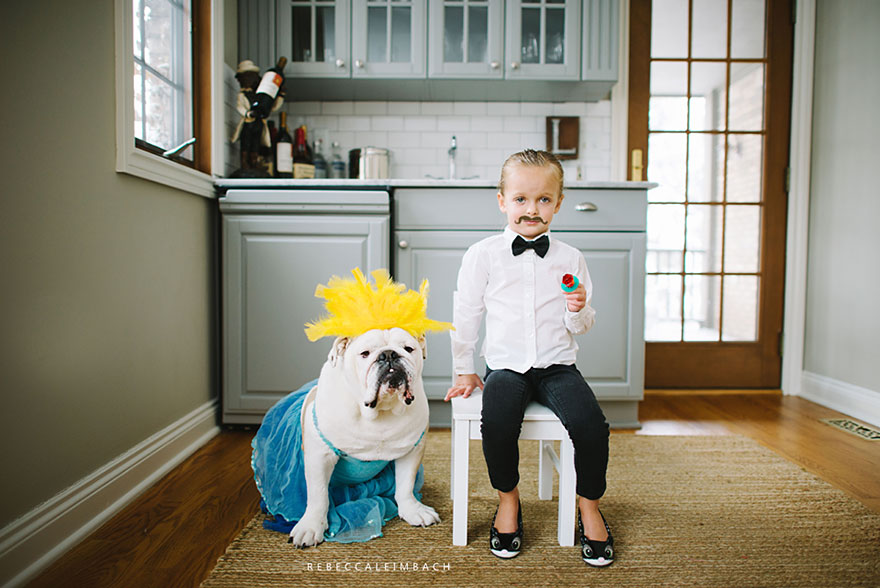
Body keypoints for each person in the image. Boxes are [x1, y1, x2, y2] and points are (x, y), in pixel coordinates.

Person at [445, 149, 614, 567]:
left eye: (543, 199)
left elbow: (582, 326)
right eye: (520, 199)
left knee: (592, 426)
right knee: (497, 422)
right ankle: (508, 500)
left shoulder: (570, 258)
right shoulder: (483, 255)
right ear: (502, 200)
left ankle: (588, 506)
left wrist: (577, 309)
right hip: (506, 366)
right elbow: (466, 314)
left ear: (558, 203)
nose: (531, 209)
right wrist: (464, 368)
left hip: (558, 366)